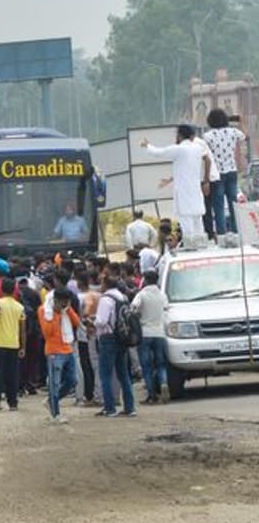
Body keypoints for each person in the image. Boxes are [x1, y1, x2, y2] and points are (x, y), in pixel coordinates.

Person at [142, 125, 211, 241]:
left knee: (186, 223)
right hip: (195, 192)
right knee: (198, 223)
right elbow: (185, 168)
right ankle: (201, 244)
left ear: (179, 135)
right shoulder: (198, 149)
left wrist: (147, 146)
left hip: (184, 193)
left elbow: (158, 153)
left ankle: (191, 245)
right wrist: (171, 179)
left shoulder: (179, 149)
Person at [94, 274, 137, 418]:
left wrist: (91, 321)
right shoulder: (123, 297)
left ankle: (109, 407)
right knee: (123, 373)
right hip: (122, 337)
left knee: (105, 374)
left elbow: (101, 321)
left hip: (108, 338)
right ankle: (130, 407)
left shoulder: (106, 299)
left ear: (106, 284)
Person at [40, 287, 81, 424]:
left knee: (73, 380)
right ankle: (55, 414)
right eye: (63, 302)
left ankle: (51, 401)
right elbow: (47, 332)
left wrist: (68, 310)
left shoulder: (66, 309)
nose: (65, 305)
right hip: (54, 351)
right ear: (56, 300)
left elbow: (76, 322)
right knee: (54, 384)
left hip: (67, 348)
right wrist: (56, 314)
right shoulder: (44, 311)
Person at [204, 107, 247, 235]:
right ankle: (235, 231)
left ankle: (222, 233)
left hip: (216, 174)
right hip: (232, 171)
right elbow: (245, 136)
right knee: (233, 204)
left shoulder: (207, 136)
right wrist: (241, 121)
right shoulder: (233, 132)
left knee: (218, 206)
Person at [0, 278, 25, 412]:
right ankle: (13, 402)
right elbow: (22, 328)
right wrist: (22, 346)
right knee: (12, 374)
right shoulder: (19, 306)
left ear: (2, 289)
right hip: (13, 343)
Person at [133, 270, 170, 404]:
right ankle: (164, 383)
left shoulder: (141, 294)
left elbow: (133, 308)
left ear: (146, 280)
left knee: (147, 366)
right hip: (159, 332)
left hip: (145, 333)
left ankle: (151, 395)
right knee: (161, 364)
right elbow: (166, 309)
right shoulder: (162, 295)